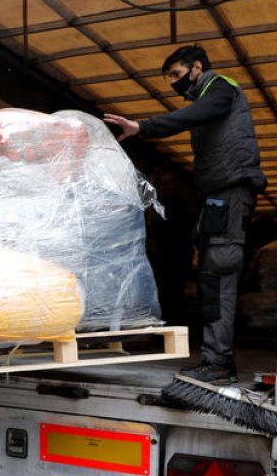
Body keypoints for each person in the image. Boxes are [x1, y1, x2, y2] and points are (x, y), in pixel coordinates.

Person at [104, 44, 267, 384]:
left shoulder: (221, 88)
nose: (174, 84)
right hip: (216, 197)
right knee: (209, 274)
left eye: (177, 75)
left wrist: (142, 127)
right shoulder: (207, 99)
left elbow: (189, 117)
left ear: (196, 67)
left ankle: (220, 362)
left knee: (219, 271)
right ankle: (214, 358)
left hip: (231, 192)